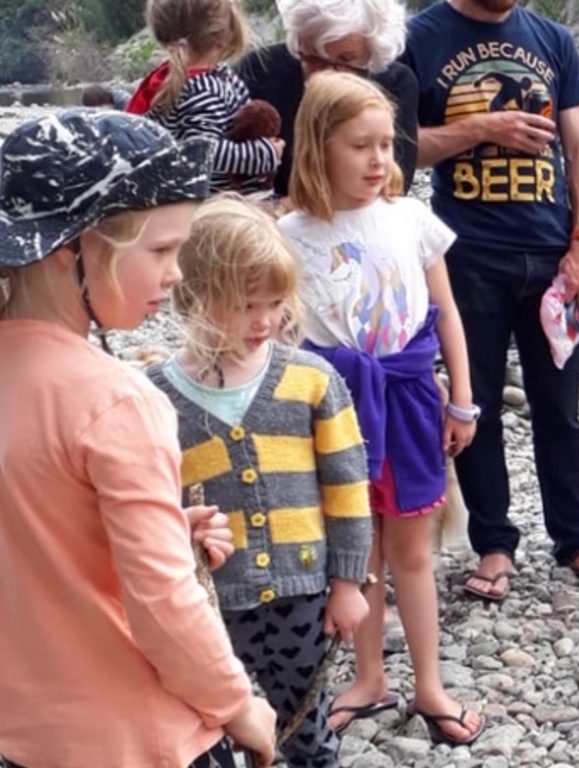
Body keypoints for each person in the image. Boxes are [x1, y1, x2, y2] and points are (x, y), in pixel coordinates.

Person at [0, 109, 277, 768]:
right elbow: (163, 606)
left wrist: (157, 526)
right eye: (160, 251)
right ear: (76, 248)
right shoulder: (118, 403)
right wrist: (241, 708)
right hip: (137, 738)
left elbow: (30, 528)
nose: (178, 274)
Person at [402, 0, 579, 599]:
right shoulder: (419, 39)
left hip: (553, 254)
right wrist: (483, 127)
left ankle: (575, 538)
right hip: (468, 257)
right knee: (475, 404)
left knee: (560, 407)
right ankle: (494, 547)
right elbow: (400, 148)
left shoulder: (554, 39)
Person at [277, 71, 485, 744]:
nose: (377, 161)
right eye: (358, 146)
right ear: (317, 148)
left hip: (410, 398)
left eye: (385, 146)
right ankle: (369, 678)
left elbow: (448, 313)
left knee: (413, 553)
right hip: (335, 408)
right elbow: (282, 337)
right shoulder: (289, 235)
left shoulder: (412, 219)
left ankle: (430, 684)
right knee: (355, 551)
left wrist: (464, 399)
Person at [150, 195, 373, 768]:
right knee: (224, 723)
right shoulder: (155, 397)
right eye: (246, 305)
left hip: (304, 593)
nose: (266, 321)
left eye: (276, 303)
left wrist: (349, 584)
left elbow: (347, 489)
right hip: (213, 603)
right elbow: (152, 503)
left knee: (304, 721)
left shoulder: (311, 380)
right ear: (193, 297)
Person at [236, 0, 419, 198]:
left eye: (345, 60)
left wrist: (292, 208)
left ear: (371, 53)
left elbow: (394, 185)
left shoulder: (395, 84)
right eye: (315, 58)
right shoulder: (261, 69)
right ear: (299, 43)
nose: (327, 75)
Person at [128, 0, 283, 194]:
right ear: (222, 36)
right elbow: (204, 152)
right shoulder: (205, 91)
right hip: (227, 205)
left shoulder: (168, 81)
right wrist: (266, 153)